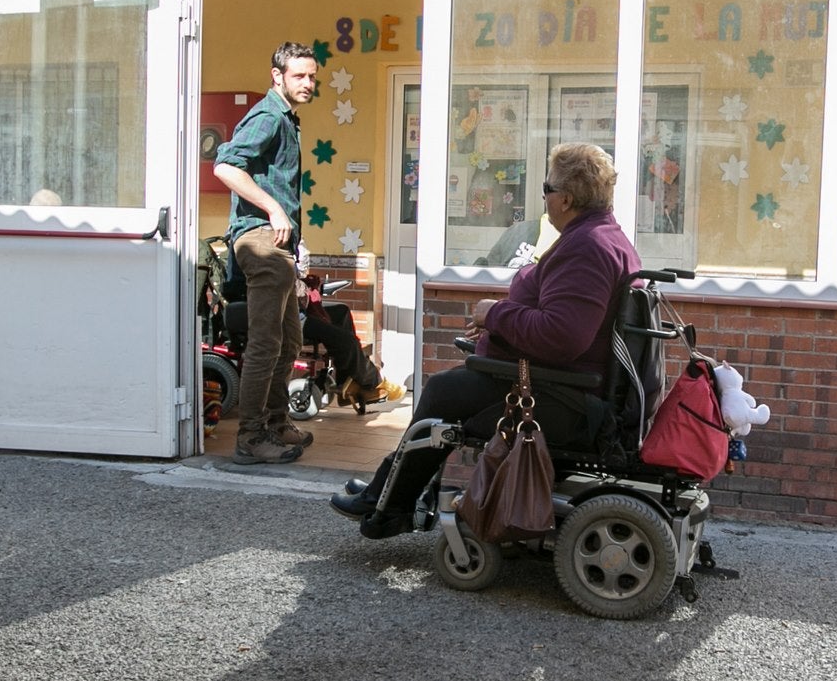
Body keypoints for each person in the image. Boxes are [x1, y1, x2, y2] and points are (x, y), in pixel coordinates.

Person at [330, 142, 641, 538]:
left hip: (566, 398)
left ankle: (390, 504)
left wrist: (494, 314)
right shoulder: (602, 237)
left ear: (565, 199)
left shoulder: (587, 247)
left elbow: (562, 336)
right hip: (562, 385)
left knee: (443, 392)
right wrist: (502, 326)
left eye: (546, 189)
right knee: (452, 389)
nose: (544, 198)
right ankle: (393, 491)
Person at [212, 41, 318, 464]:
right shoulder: (268, 115)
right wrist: (273, 209)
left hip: (278, 245)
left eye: (312, 76)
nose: (308, 83)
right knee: (266, 343)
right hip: (260, 240)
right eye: (299, 75)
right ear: (277, 76)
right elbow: (225, 165)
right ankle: (250, 437)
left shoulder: (286, 119)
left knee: (289, 341)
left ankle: (275, 422)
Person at [299, 294, 404, 406]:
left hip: (303, 311)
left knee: (342, 312)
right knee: (349, 341)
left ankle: (346, 382)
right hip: (295, 320)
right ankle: (373, 384)